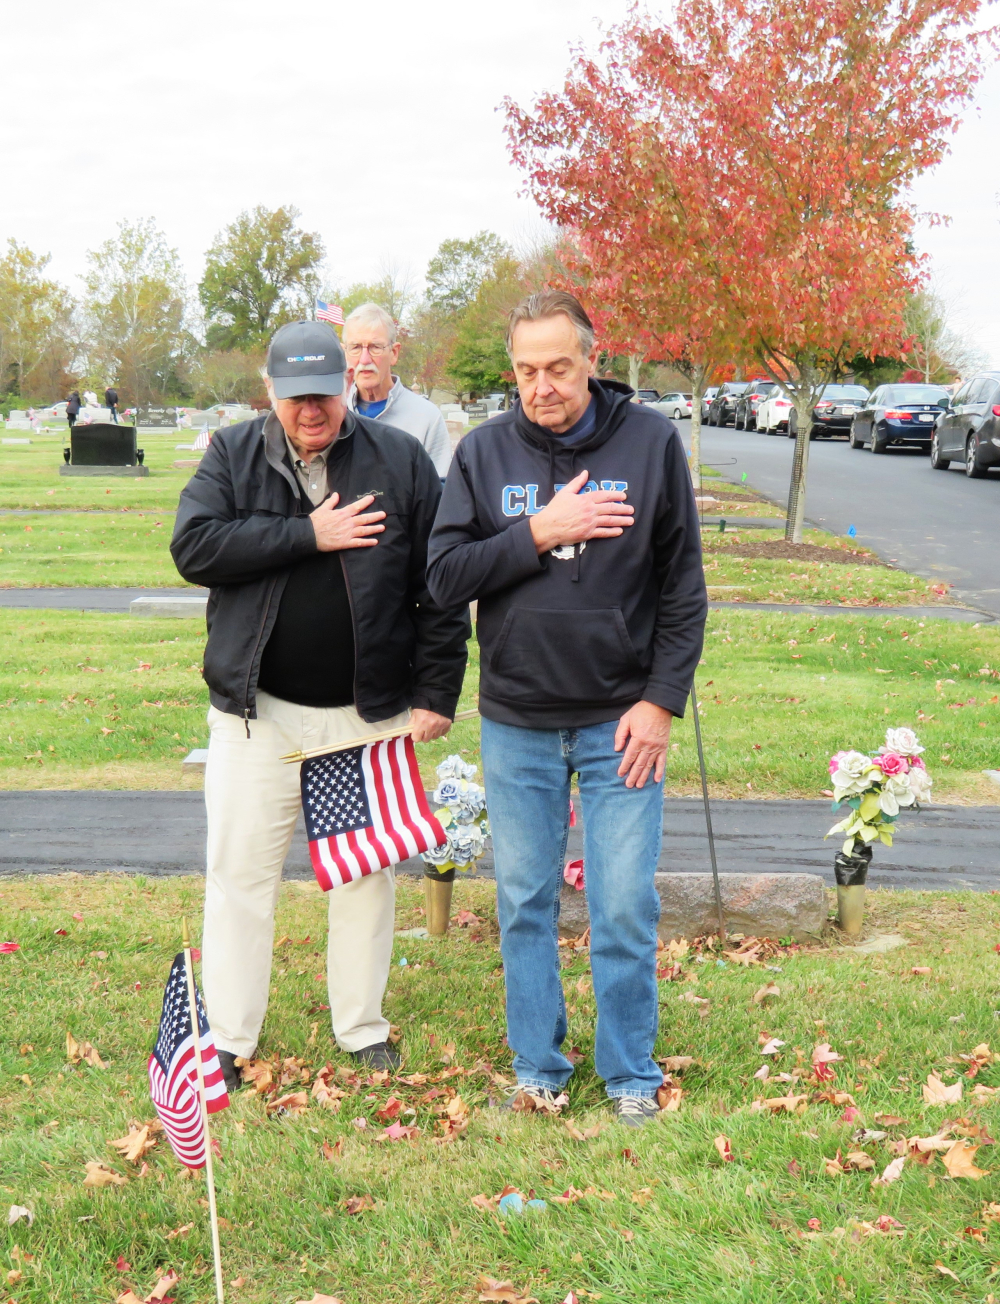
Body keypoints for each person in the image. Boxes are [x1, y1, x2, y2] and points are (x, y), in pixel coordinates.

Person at [427, 289, 707, 1128]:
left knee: (622, 904)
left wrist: (661, 702)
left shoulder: (650, 443)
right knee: (524, 903)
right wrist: (540, 532)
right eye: (525, 370)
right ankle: (538, 1067)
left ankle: (630, 1071)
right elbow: (443, 578)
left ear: (593, 358)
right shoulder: (483, 453)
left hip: (620, 723)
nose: (541, 386)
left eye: (557, 367)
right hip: (516, 719)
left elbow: (683, 588)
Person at [171, 320, 469, 1091]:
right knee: (240, 875)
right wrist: (308, 535)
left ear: (347, 386)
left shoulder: (399, 460)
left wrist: (437, 689)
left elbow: (438, 586)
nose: (311, 411)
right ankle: (229, 1037)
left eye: (324, 395)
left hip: (362, 715)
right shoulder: (232, 454)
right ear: (270, 391)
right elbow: (194, 548)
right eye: (295, 396)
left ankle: (362, 1028)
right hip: (257, 713)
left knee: (365, 876)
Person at [344, 303, 452, 479]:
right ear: (344, 353)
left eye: (375, 347)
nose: (364, 359)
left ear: (394, 353)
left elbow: (440, 488)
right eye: (355, 347)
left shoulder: (427, 418)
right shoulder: (334, 414)